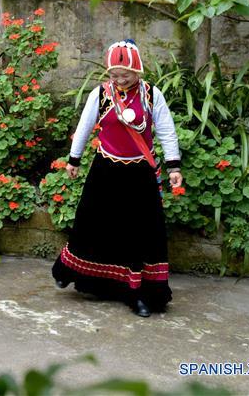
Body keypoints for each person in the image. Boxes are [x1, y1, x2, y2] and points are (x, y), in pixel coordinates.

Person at [52, 40, 183, 317]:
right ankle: (72, 270)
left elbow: (167, 131)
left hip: (139, 174)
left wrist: (173, 167)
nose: (120, 80)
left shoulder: (151, 95)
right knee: (91, 223)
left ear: (138, 71)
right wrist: (73, 160)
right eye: (114, 74)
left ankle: (138, 293)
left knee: (139, 233)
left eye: (126, 74)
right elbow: (85, 125)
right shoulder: (100, 93)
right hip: (106, 170)